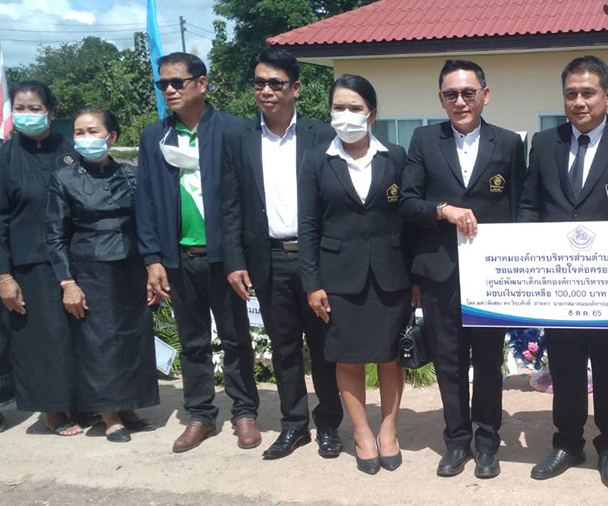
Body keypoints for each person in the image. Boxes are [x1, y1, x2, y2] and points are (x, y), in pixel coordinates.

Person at [518, 55, 608, 489]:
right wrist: (529, 251)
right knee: (564, 368)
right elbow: (529, 205)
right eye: (571, 94)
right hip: (560, 283)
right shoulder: (545, 143)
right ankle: (567, 443)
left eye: (588, 93)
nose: (579, 102)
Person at [400, 59, 525, 479]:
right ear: (441, 99)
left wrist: (517, 267)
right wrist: (443, 210)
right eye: (451, 94)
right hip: (440, 273)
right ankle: (456, 441)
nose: (460, 101)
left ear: (485, 95)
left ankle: (487, 442)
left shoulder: (509, 143)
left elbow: (520, 208)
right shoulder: (424, 140)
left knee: (488, 363)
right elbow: (407, 202)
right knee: (449, 362)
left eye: (468, 93)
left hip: (491, 276)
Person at [219, 47, 342, 461]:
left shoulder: (321, 135)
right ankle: (294, 425)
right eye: (259, 83)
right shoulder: (239, 139)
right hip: (267, 258)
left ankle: (329, 423)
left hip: (314, 259)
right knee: (284, 347)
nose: (266, 91)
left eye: (275, 83)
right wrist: (235, 261)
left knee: (324, 347)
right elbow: (229, 204)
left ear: (296, 88)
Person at [135, 52, 260, 453]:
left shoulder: (233, 130)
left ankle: (244, 412)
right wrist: (153, 258)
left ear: (201, 84)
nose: (169, 90)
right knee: (192, 342)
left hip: (225, 259)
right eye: (163, 84)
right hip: (179, 257)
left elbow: (248, 197)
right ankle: (201, 415)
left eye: (178, 82)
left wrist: (242, 256)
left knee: (236, 338)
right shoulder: (155, 136)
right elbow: (145, 201)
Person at [298, 75, 410, 475]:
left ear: (371, 114)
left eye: (355, 108)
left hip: (391, 274)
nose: (346, 115)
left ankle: (388, 430)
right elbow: (308, 225)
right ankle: (362, 432)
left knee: (390, 357)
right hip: (338, 278)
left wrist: (415, 278)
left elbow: (407, 217)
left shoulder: (395, 156)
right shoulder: (316, 160)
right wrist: (312, 283)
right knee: (348, 359)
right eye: (339, 107)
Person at [44, 108, 160, 442]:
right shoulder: (63, 178)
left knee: (133, 339)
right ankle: (109, 415)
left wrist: (153, 266)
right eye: (79, 132)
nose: (85, 138)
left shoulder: (130, 174)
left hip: (131, 266)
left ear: (111, 137)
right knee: (100, 344)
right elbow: (55, 236)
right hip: (90, 270)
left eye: (92, 131)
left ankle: (130, 407)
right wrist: (68, 282)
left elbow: (146, 221)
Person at [0, 80, 81, 435]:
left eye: (35, 108)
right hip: (29, 262)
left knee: (79, 333)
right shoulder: (5, 157)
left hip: (75, 258)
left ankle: (85, 402)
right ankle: (54, 409)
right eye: (20, 108)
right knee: (45, 338)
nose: (27, 115)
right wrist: (4, 276)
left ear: (50, 111)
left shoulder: (70, 150)